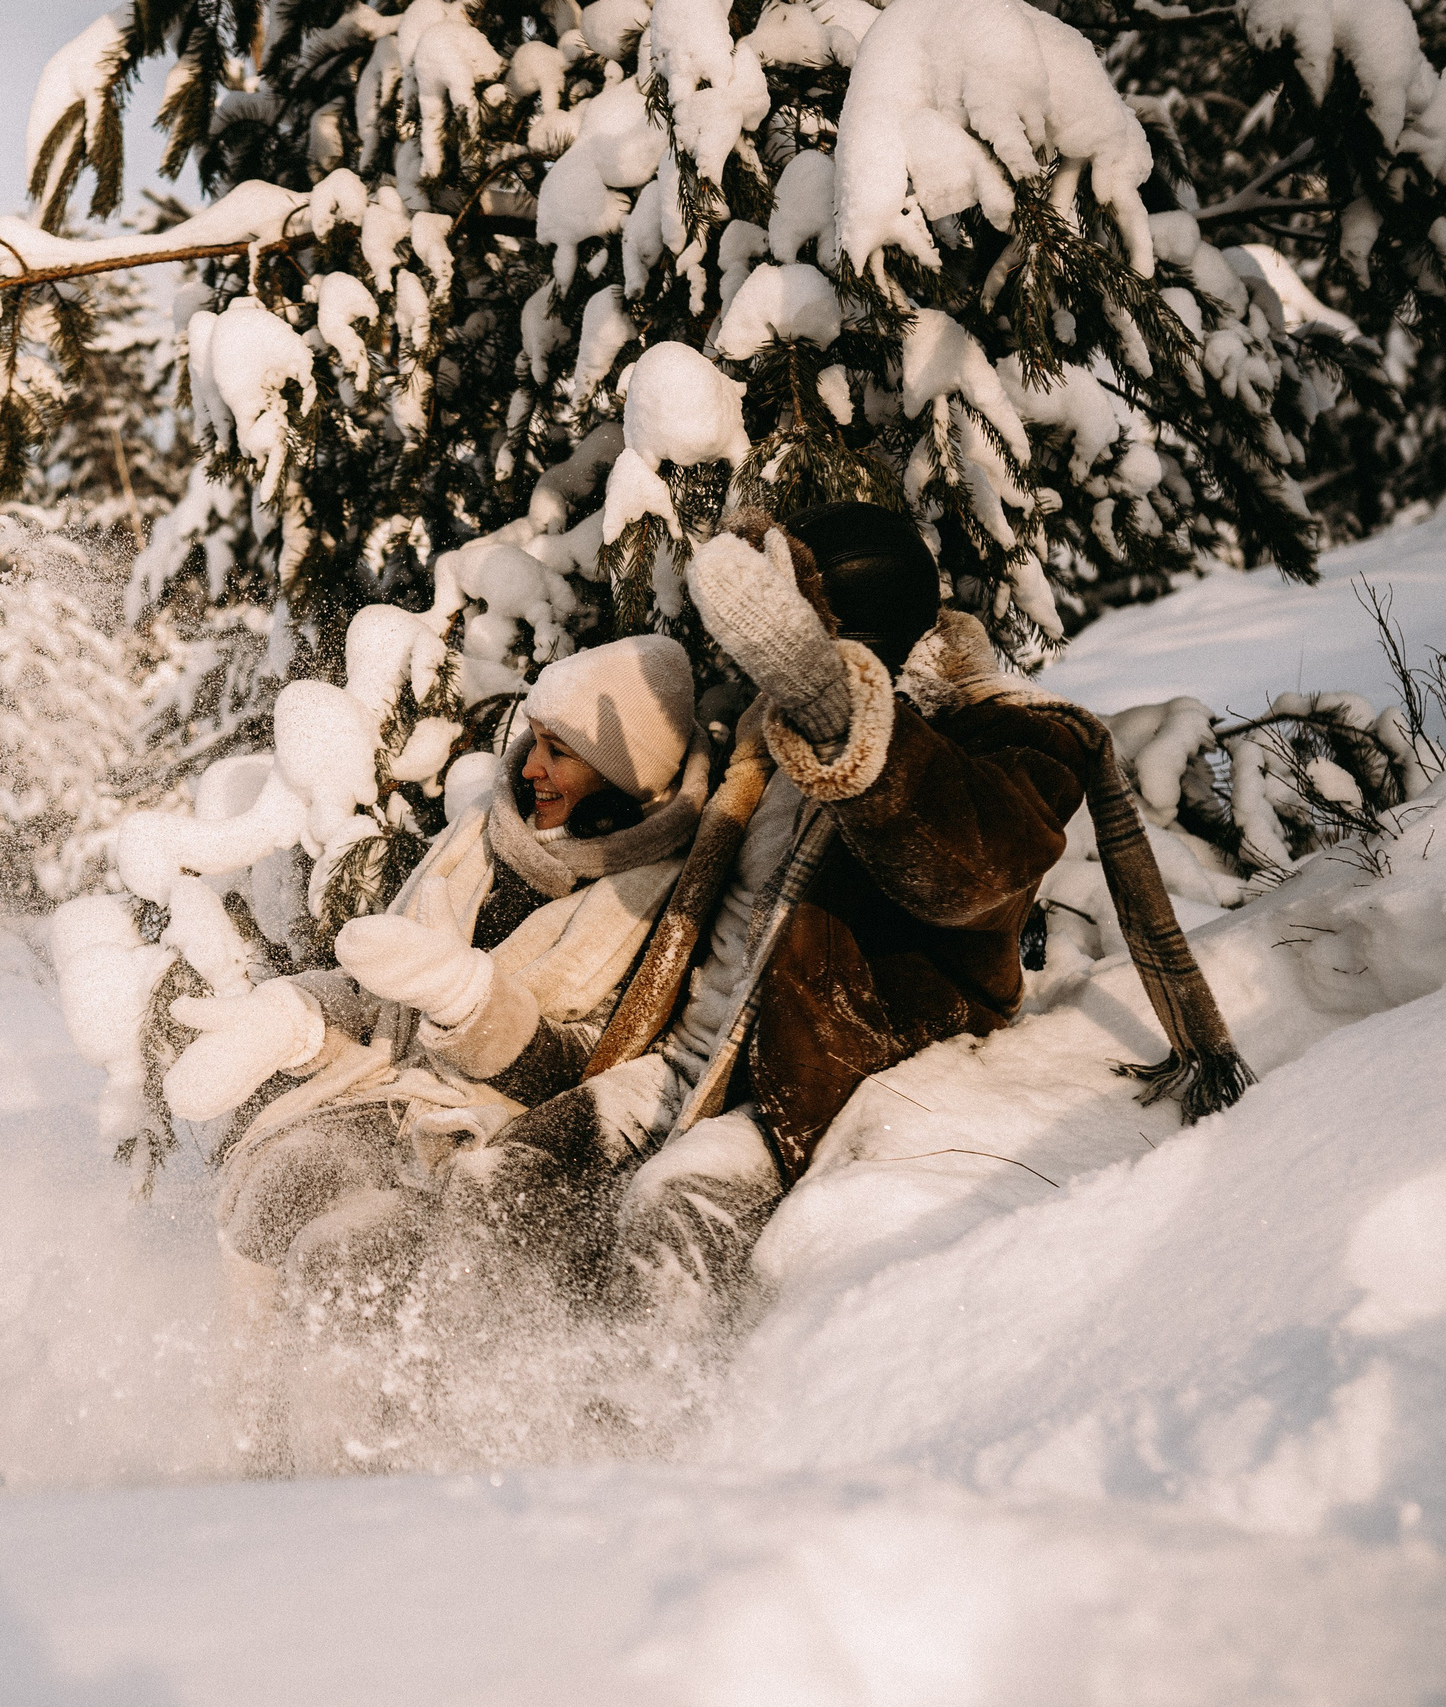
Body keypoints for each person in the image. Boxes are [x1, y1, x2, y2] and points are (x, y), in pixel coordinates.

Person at [453, 503, 1251, 1335]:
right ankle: (452, 1395)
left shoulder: (1002, 740)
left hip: (813, 1087)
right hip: (688, 1057)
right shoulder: (763, 732)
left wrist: (841, 713)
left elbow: (964, 870)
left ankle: (643, 1440)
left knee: (673, 1211)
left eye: (793, 613)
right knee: (502, 1180)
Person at [160, 636, 713, 1471]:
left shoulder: (656, 894)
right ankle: (252, 1444)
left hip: (493, 1137)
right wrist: (296, 1016)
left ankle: (364, 1493)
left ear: (625, 773)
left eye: (564, 751)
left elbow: (597, 1063)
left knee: (341, 1255)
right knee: (280, 1178)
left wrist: (471, 1001)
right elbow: (384, 979)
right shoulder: (480, 839)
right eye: (537, 740)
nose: (533, 767)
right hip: (387, 1096)